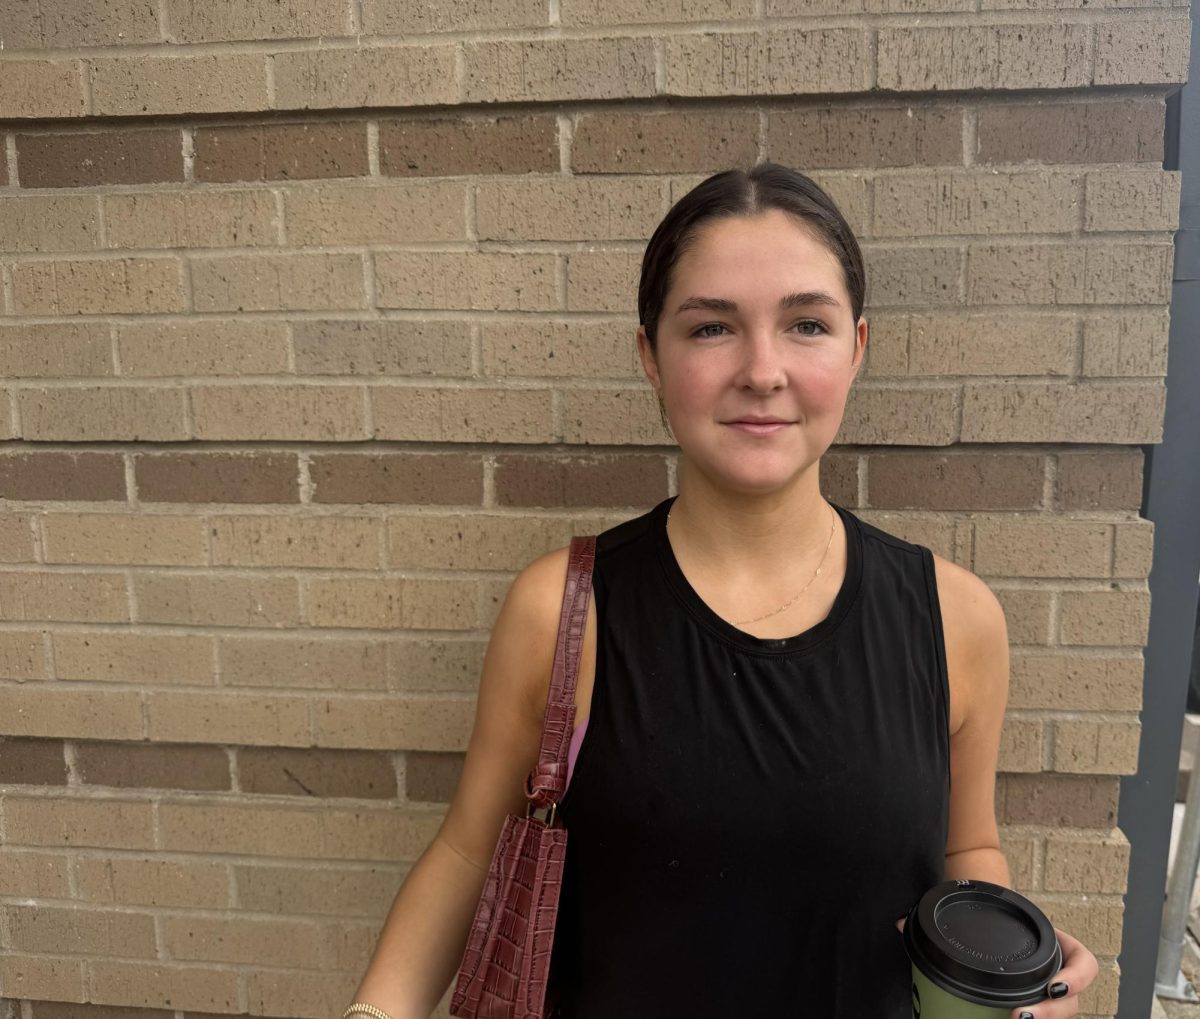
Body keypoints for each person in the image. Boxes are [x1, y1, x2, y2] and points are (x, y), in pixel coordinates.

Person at [345, 163, 1100, 1017]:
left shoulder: (955, 617)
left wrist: (1017, 974)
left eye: (806, 324)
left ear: (855, 348)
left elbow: (969, 848)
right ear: (650, 356)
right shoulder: (564, 611)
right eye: (711, 329)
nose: (762, 369)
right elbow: (466, 854)